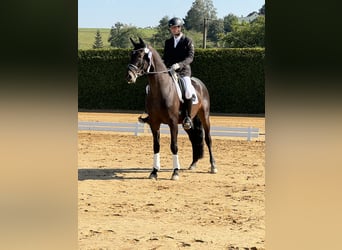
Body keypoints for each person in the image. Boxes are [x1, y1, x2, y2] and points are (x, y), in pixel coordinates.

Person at [139, 17, 195, 130]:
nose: (173, 30)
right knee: (149, 88)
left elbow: (190, 57)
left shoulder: (187, 41)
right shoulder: (168, 42)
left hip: (183, 71)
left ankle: (187, 117)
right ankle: (150, 114)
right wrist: (164, 67)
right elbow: (165, 58)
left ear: (180, 28)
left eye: (175, 28)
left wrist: (179, 64)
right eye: (172, 28)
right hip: (169, 71)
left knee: (188, 90)